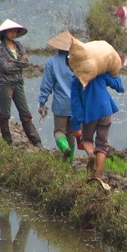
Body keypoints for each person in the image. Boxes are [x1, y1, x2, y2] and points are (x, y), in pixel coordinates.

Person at [69, 65, 125, 182]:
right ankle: (97, 175)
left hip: (90, 114)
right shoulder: (100, 73)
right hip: (105, 111)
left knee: (86, 140)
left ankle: (90, 153)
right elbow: (118, 86)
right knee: (102, 145)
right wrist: (115, 72)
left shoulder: (76, 78)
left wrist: (76, 124)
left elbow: (75, 103)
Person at [0, 18, 42, 147]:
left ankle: (36, 142)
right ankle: (7, 142)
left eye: (15, 31)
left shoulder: (19, 46)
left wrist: (14, 63)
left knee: (25, 114)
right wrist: (20, 62)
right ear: (5, 33)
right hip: (5, 85)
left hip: (18, 83)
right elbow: (5, 68)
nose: (13, 34)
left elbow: (26, 63)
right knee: (5, 114)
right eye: (11, 31)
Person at [38, 31, 76, 163]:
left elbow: (46, 86)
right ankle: (69, 163)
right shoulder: (77, 61)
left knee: (59, 131)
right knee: (71, 133)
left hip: (61, 104)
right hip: (76, 104)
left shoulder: (52, 63)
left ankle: (65, 148)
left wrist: (42, 103)